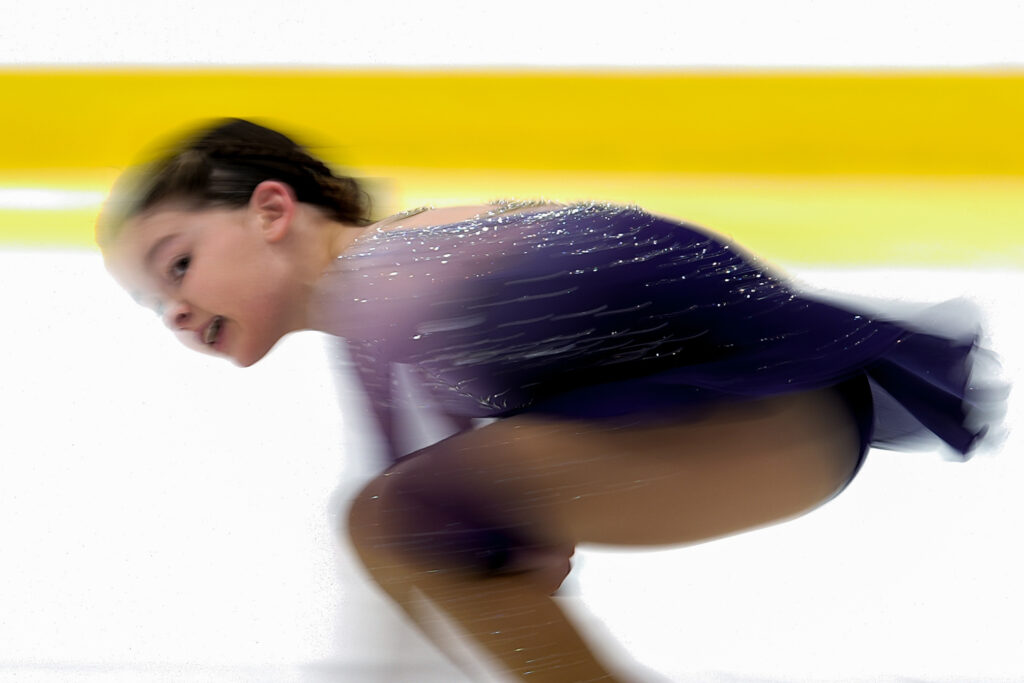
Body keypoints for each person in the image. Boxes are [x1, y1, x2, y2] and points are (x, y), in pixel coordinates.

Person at [98, 118, 1003, 682]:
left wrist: (502, 538)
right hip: (755, 409)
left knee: (395, 518)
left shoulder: (387, 279)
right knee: (407, 519)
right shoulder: (402, 278)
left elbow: (655, 270)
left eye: (178, 263)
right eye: (153, 301)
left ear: (271, 208)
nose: (175, 308)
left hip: (767, 409)